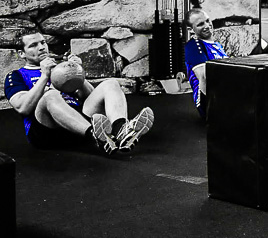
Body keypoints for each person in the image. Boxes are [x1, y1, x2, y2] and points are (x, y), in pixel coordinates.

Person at [4, 32, 154, 154]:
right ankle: (96, 137)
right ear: (21, 54)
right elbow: (22, 107)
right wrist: (44, 76)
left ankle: (120, 130)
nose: (42, 47)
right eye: (33, 45)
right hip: (46, 132)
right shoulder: (16, 75)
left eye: (43, 42)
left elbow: (90, 97)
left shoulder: (61, 67)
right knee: (50, 95)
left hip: (77, 124)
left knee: (110, 84)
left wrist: (78, 74)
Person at [183, 8, 227, 122]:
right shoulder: (194, 46)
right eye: (200, 24)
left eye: (207, 21)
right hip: (210, 105)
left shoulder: (217, 45)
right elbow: (204, 77)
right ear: (190, 29)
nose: (207, 25)